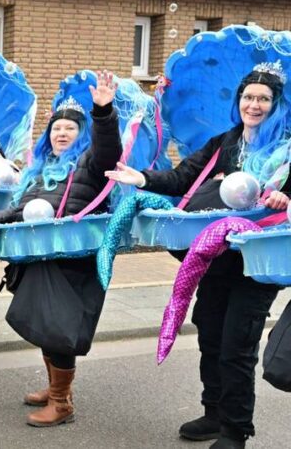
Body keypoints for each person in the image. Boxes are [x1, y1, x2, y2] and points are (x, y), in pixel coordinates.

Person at [106, 65, 290, 449]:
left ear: (277, 105)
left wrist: (285, 198)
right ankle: (214, 412)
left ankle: (235, 430)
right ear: (238, 101)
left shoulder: (287, 149)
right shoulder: (224, 143)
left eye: (263, 99)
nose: (254, 105)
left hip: (257, 262)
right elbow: (180, 178)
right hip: (215, 257)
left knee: (237, 344)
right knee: (209, 333)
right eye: (248, 97)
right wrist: (141, 179)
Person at [0, 70, 121, 427]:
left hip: (74, 260)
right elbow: (21, 205)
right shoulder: (40, 168)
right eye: (56, 128)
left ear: (81, 135)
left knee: (59, 327)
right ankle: (56, 389)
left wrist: (103, 113)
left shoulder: (91, 164)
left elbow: (109, 151)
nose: (61, 133)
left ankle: (61, 403)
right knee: (45, 324)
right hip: (39, 255)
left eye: (70, 129)